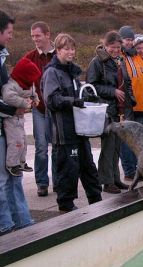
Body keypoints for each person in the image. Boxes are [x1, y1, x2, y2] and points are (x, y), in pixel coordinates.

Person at [41, 33, 102, 212]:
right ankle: (66, 206)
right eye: (66, 49)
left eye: (72, 48)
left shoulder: (72, 71)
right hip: (64, 133)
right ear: (58, 50)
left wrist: (86, 97)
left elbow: (76, 94)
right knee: (68, 171)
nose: (70, 52)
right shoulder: (52, 72)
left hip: (80, 130)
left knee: (89, 167)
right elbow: (51, 100)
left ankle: (97, 202)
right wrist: (72, 101)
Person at [87, 31, 134, 194]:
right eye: (112, 47)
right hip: (105, 110)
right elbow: (92, 86)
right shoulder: (97, 62)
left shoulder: (119, 60)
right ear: (105, 46)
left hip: (120, 110)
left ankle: (115, 178)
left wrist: (130, 101)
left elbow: (126, 82)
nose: (115, 50)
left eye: (118, 47)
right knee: (108, 147)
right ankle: (106, 182)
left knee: (116, 147)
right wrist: (112, 91)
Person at [0, 10, 34, 235]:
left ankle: (21, 221)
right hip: (4, 123)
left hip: (6, 126)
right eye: (9, 32)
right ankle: (5, 225)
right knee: (3, 179)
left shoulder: (2, 58)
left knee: (14, 173)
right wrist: (16, 107)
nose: (12, 36)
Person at [118, 25, 143, 181]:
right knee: (127, 140)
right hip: (127, 107)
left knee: (137, 141)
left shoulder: (137, 58)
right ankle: (129, 171)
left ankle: (137, 169)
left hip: (141, 106)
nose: (129, 42)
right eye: (126, 40)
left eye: (130, 39)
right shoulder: (120, 58)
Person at [24, 21, 56, 197]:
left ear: (47, 34)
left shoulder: (59, 54)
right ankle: (42, 183)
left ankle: (59, 181)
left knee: (58, 146)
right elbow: (20, 81)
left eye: (38, 35)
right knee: (41, 147)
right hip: (39, 109)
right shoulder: (29, 57)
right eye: (32, 36)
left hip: (57, 109)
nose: (35, 39)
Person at [1, 57, 40, 176]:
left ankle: (21, 161)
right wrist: (25, 103)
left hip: (20, 119)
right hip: (11, 119)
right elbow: (9, 97)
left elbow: (33, 93)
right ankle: (12, 164)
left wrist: (35, 100)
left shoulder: (28, 86)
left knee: (23, 140)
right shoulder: (10, 86)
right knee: (15, 141)